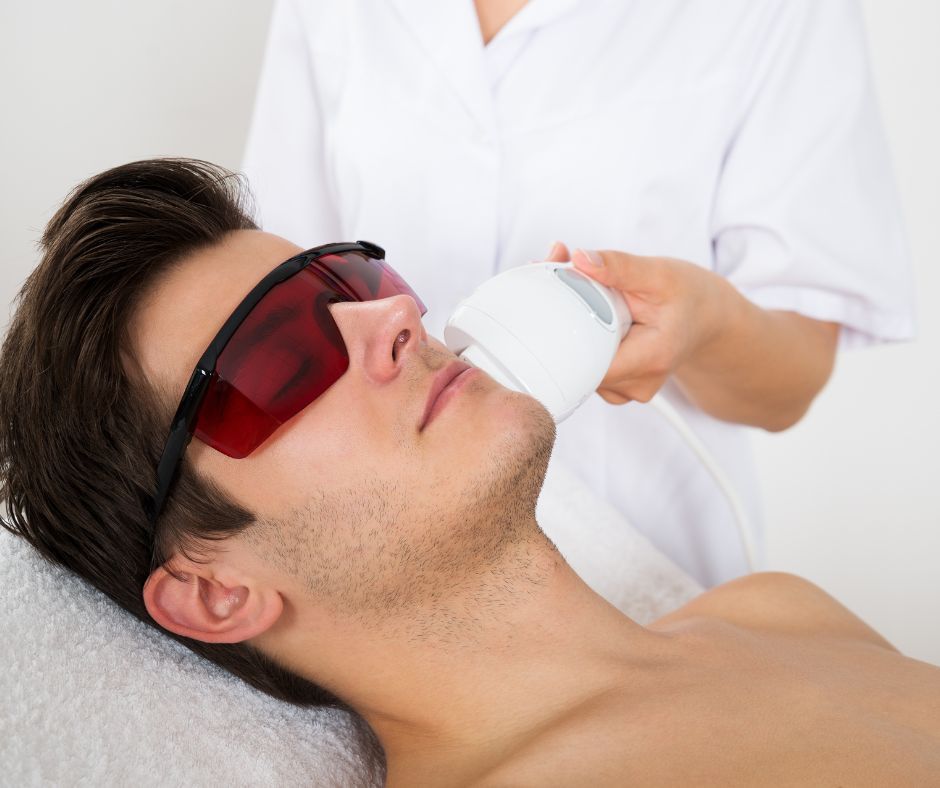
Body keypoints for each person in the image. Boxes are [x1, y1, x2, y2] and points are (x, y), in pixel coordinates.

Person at [0, 159, 936, 786]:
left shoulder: (779, 612)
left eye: (349, 281)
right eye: (275, 357)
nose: (395, 314)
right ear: (213, 593)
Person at [242, 0, 917, 586]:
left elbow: (790, 381)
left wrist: (701, 322)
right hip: (395, 556)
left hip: (642, 566)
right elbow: (279, 290)